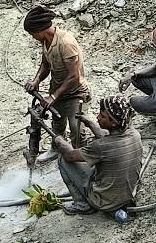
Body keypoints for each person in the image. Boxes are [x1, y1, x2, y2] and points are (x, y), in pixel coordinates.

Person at [52, 95, 143, 223]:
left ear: (113, 122)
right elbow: (106, 135)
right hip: (128, 194)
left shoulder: (101, 147)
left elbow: (70, 155)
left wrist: (59, 140)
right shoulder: (134, 134)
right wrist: (89, 123)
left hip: (105, 201)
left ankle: (82, 204)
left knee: (63, 159)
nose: (98, 117)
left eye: (102, 116)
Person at [23, 5, 94, 149]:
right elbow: (45, 64)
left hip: (76, 93)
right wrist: (37, 80)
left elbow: (74, 76)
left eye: (32, 33)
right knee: (57, 124)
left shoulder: (66, 43)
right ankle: (57, 150)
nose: (32, 37)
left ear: (39, 30)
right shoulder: (46, 41)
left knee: (77, 128)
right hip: (58, 90)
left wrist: (53, 97)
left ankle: (81, 159)